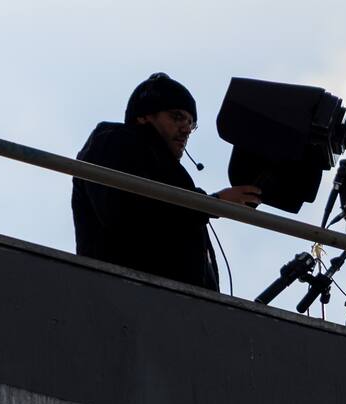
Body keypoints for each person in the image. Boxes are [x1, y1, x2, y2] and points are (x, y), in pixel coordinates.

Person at [71, 72, 261, 291]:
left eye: (191, 123)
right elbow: (128, 214)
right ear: (144, 116)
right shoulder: (113, 140)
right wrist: (212, 204)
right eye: (177, 117)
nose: (186, 129)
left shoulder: (171, 172)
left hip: (168, 302)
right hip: (124, 293)